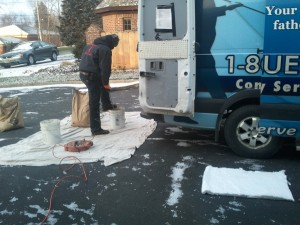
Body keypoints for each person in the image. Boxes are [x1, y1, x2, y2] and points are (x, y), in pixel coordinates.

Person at [79, 34, 119, 135]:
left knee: (102, 86)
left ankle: (106, 105)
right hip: (91, 77)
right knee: (94, 102)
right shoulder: (105, 50)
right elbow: (105, 69)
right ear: (111, 43)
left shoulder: (89, 46)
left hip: (84, 74)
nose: (113, 47)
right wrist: (105, 83)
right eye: (114, 45)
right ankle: (96, 129)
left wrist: (104, 83)